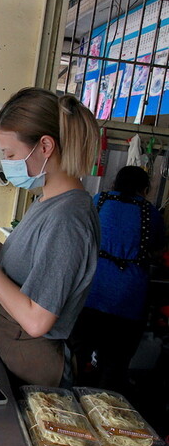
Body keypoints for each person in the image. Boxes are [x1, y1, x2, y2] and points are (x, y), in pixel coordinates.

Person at [0, 87, 100, 389]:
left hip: (35, 364)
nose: (7, 163)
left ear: (45, 146)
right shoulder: (47, 200)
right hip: (12, 350)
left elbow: (36, 320)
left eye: (10, 155)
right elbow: (36, 268)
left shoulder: (68, 217)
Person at [70, 165, 165, 394]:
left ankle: (69, 400)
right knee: (114, 363)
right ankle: (105, 406)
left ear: (115, 182)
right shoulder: (150, 212)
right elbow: (158, 249)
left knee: (77, 356)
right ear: (144, 188)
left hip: (92, 291)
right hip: (128, 298)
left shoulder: (99, 200)